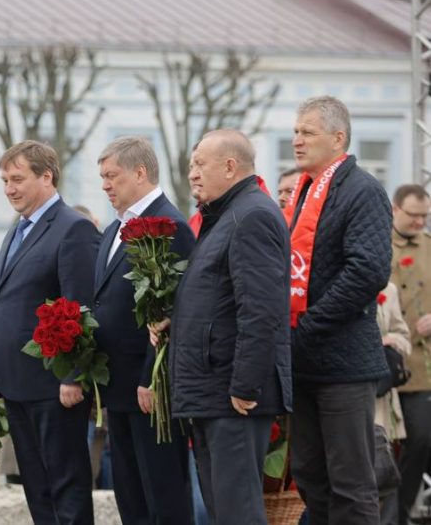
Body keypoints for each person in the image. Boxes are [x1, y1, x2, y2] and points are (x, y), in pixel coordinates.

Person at [158, 129, 291, 525]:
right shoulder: (224, 216)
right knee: (223, 511)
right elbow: (221, 298)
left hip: (232, 396)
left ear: (230, 167)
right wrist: (176, 320)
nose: (192, 173)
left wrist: (244, 385)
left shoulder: (252, 216)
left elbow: (261, 310)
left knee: (238, 513)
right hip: (212, 390)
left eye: (200, 164)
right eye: (191, 165)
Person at [283, 96, 391, 524]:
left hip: (344, 364)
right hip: (304, 361)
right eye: (295, 131)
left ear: (338, 137)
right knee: (311, 478)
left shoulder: (362, 190)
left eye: (307, 132)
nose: (297, 140)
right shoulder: (304, 191)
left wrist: (307, 326)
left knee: (351, 484)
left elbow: (367, 271)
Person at [0, 140, 100, 524]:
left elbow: (80, 306)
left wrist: (73, 375)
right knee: (36, 488)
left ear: (46, 176)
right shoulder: (18, 228)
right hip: (16, 384)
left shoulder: (73, 228)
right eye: (4, 180)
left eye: (17, 179)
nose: (9, 189)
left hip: (54, 386)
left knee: (65, 485)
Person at [93, 136, 194, 525]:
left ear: (139, 173)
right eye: (102, 177)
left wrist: (151, 376)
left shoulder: (169, 226)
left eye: (112, 176)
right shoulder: (114, 230)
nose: (105, 185)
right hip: (117, 385)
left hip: (150, 388)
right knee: (130, 494)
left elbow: (172, 309)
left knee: (163, 494)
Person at [389, 183, 431, 524]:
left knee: (420, 440)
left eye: (424, 216)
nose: (419, 222)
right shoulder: (377, 243)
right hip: (383, 362)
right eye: (414, 215)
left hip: (420, 367)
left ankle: (400, 514)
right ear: (395, 209)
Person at [375, 281, 409, 525]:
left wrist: (390, 339)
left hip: (382, 398)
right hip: (344, 392)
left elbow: (404, 337)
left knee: (384, 471)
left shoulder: (389, 289)